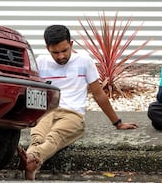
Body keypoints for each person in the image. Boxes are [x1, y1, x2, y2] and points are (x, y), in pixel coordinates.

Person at [17, 25, 138, 180]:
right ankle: (31, 166)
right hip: (46, 112)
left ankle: (31, 158)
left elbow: (99, 94)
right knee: (38, 137)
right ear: (47, 48)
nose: (61, 56)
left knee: (55, 136)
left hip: (72, 115)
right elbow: (31, 91)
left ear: (71, 44)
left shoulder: (84, 61)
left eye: (64, 50)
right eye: (55, 52)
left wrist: (118, 123)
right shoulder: (41, 61)